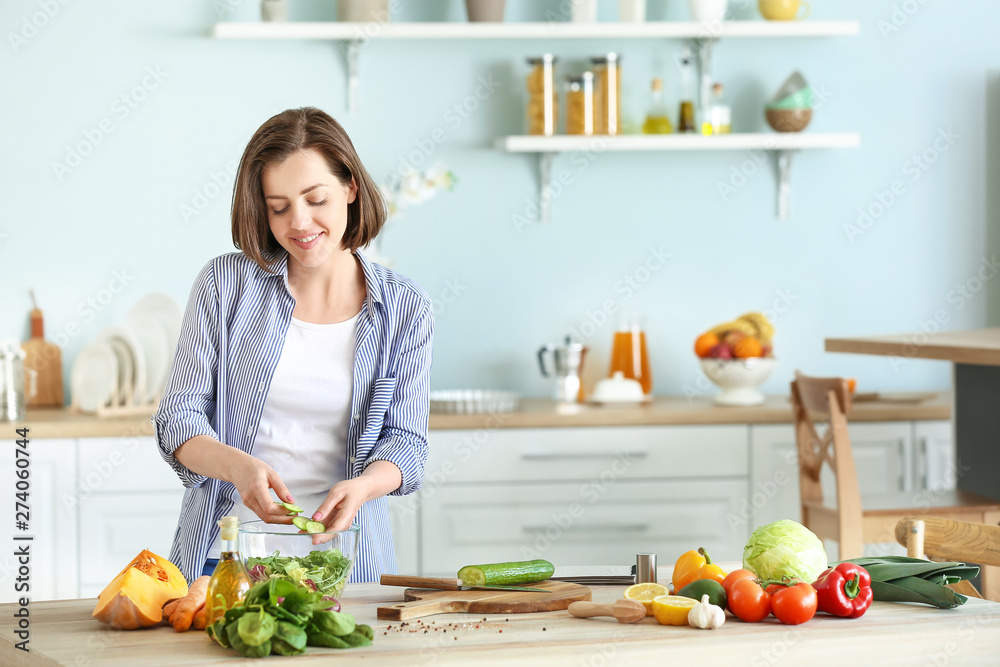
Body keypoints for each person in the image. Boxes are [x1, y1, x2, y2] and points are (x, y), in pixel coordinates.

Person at [153, 107, 433, 584]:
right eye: (278, 206)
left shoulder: (404, 308)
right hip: (223, 557)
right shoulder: (225, 286)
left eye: (315, 199)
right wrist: (238, 468)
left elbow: (406, 443)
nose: (298, 223)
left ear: (350, 188)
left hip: (347, 563)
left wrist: (364, 486)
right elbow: (177, 419)